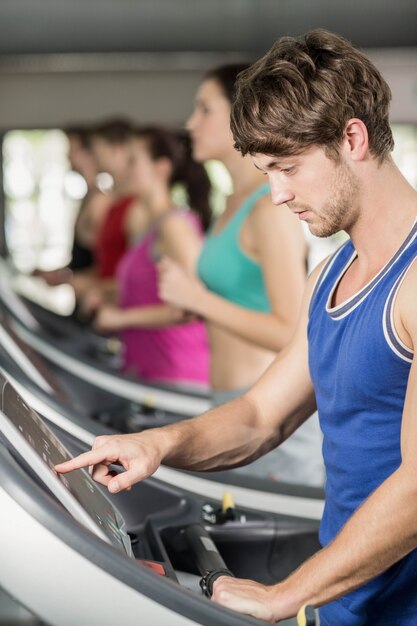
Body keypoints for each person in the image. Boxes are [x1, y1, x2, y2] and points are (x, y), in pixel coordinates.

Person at [55, 29, 417, 624]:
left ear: (353, 137)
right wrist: (159, 444)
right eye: (266, 172)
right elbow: (259, 418)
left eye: (289, 168)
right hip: (345, 602)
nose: (276, 194)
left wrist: (284, 594)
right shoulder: (330, 276)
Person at [158, 63, 323, 485]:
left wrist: (199, 299)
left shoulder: (268, 210)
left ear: (239, 114)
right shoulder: (232, 205)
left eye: (203, 109)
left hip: (267, 411)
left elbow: (291, 330)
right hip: (229, 403)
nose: (191, 123)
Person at [91, 126, 211, 387]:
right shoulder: (146, 227)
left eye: (133, 161)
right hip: (149, 371)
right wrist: (107, 297)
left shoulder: (175, 226)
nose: (125, 169)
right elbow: (150, 291)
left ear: (161, 168)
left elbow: (194, 305)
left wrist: (120, 318)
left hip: (178, 372)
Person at [74, 117, 145, 309]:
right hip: (108, 304)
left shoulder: (136, 206)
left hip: (121, 307)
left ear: (118, 150)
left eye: (99, 150)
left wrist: (94, 287)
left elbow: (139, 276)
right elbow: (92, 243)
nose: (96, 157)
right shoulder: (110, 201)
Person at [34, 124, 111, 288]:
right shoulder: (88, 198)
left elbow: (102, 264)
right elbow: (83, 259)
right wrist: (61, 273)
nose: (68, 155)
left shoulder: (100, 202)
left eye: (72, 149)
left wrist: (64, 278)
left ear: (90, 154)